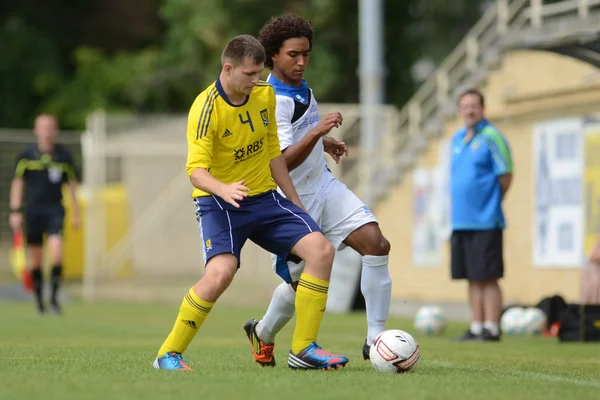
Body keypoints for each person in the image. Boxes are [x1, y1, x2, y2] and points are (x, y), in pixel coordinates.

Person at [153, 34, 349, 371]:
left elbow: (273, 152)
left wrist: (294, 200)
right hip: (219, 203)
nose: (256, 81)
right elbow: (195, 172)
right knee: (221, 273)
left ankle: (303, 350)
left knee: (321, 252)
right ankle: (168, 355)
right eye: (248, 74)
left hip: (264, 197)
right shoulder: (205, 107)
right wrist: (223, 189)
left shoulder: (265, 95)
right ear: (227, 69)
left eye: (259, 73)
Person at [242, 14, 392, 368]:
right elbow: (278, 162)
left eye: (306, 53)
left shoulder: (303, 87)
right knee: (300, 287)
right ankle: (263, 333)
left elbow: (301, 133)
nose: (301, 61)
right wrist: (316, 134)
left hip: (323, 187)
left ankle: (375, 340)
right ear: (274, 56)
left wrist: (323, 142)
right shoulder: (271, 99)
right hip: (290, 200)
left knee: (376, 244)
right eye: (293, 54)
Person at [450, 89, 513, 341]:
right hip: (461, 220)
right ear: (459, 111)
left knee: (488, 275)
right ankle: (476, 326)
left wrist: (491, 203)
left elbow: (506, 174)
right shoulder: (456, 139)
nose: (470, 110)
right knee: (472, 276)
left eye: (474, 106)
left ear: (483, 109)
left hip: (486, 220)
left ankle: (492, 327)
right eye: (465, 106)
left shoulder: (492, 137)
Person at [9, 114, 80, 315]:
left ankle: (55, 299)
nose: (46, 131)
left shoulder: (64, 156)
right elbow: (17, 184)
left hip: (55, 211)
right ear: (36, 130)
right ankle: (40, 302)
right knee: (36, 260)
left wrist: (76, 213)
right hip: (33, 212)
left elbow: (73, 186)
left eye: (50, 127)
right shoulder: (26, 156)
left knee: (57, 253)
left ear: (56, 130)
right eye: (42, 127)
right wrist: (15, 211)